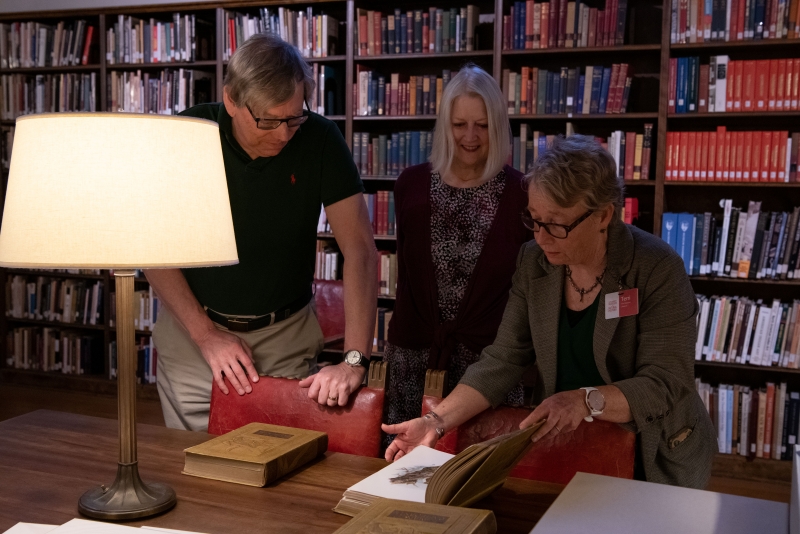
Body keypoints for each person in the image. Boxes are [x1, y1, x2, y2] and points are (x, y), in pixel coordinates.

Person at [383, 134, 718, 489]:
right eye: (535, 220)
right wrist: (436, 421)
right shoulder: (534, 262)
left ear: (603, 215)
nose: (542, 238)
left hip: (652, 450)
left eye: (557, 224)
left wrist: (585, 400)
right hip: (571, 446)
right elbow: (503, 358)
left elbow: (664, 384)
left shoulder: (656, 268)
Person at [146, 33, 377, 432]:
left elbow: (359, 251)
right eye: (269, 120)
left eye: (294, 117)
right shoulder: (187, 136)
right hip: (193, 335)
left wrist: (355, 359)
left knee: (276, 461)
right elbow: (151, 245)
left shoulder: (320, 139)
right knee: (194, 467)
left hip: (286, 335)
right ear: (232, 100)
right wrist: (205, 336)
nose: (284, 133)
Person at [384, 64, 530, 446]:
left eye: (481, 125)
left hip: (488, 364)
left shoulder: (522, 194)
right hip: (413, 355)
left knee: (476, 474)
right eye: (459, 124)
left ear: (497, 126)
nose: (470, 136)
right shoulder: (410, 186)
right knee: (403, 469)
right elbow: (407, 280)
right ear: (444, 125)